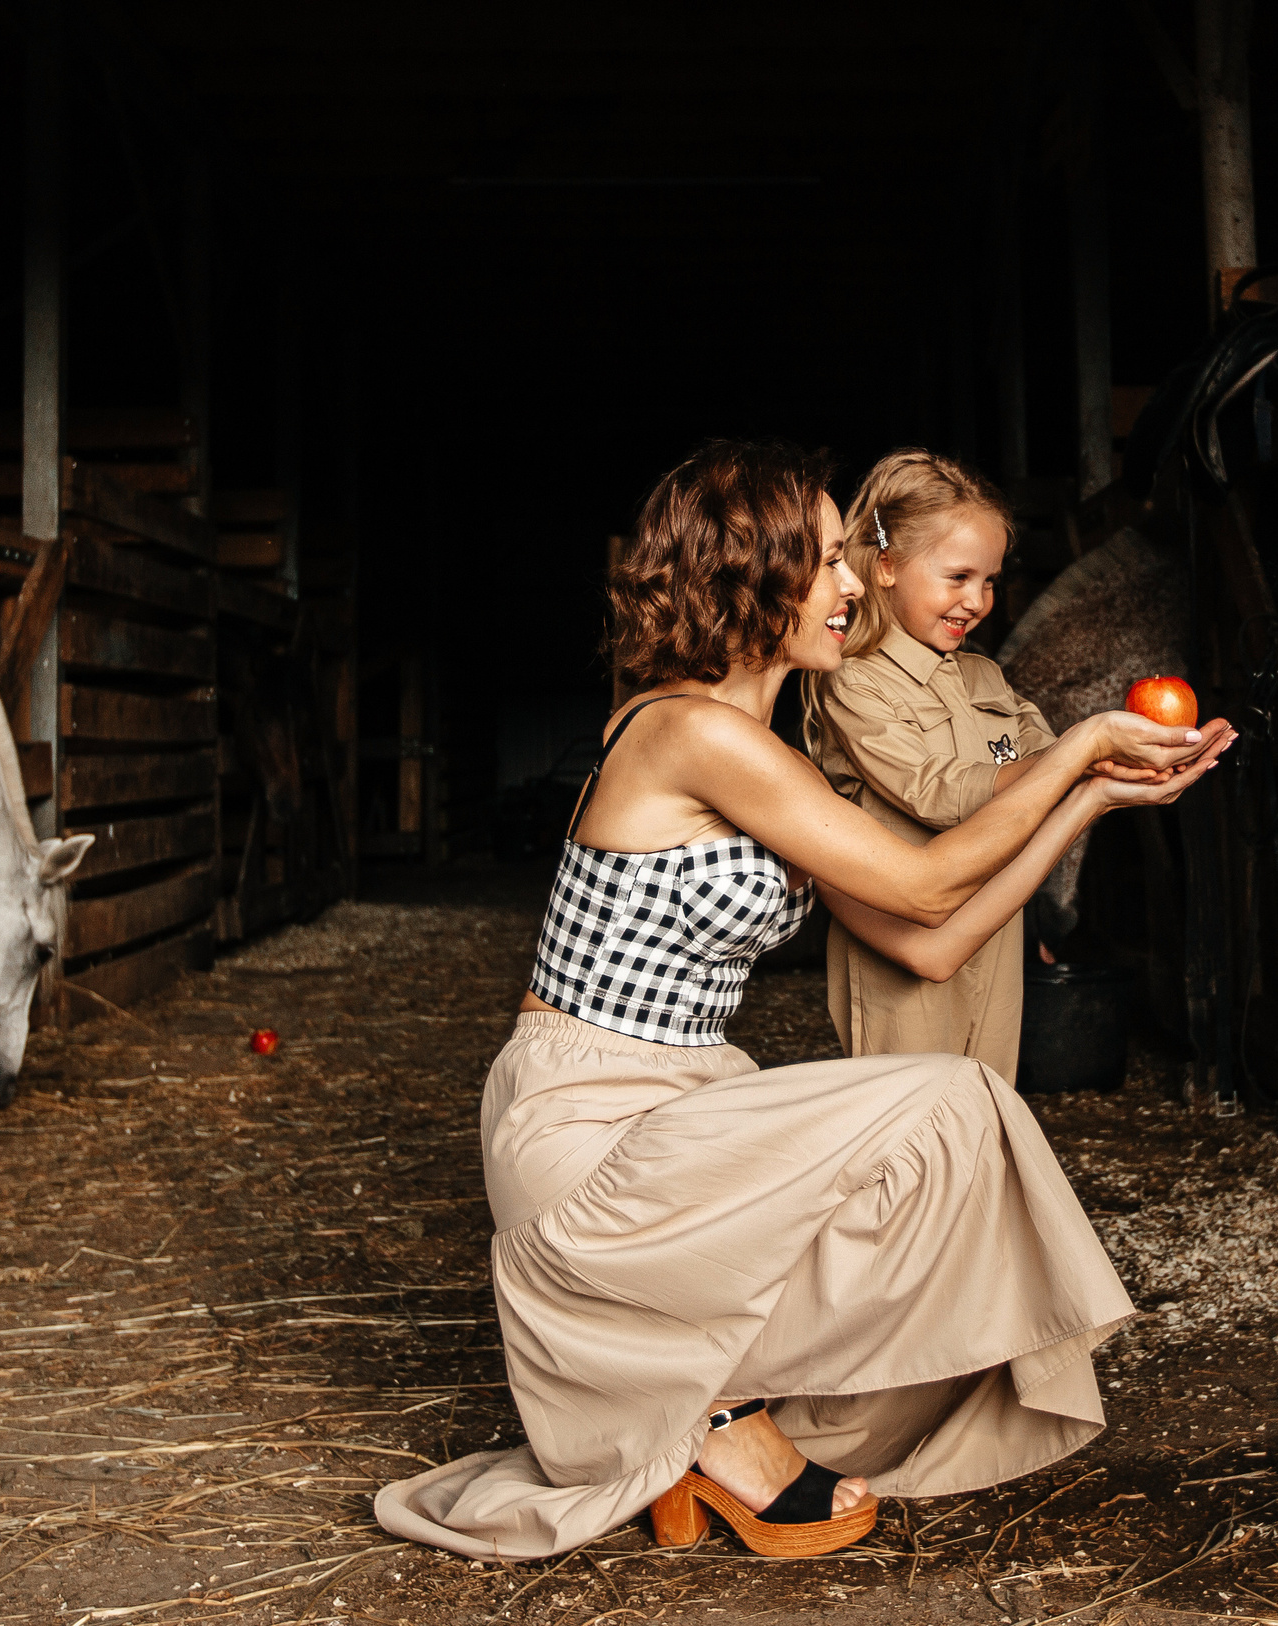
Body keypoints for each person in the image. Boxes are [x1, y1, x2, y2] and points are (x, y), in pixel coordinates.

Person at [372, 440, 1233, 1563]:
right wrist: (1074, 748)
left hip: (682, 1099)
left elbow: (934, 940)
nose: (853, 582)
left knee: (953, 1120)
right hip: (584, 1120)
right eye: (829, 559)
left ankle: (709, 1423)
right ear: (753, 577)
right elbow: (928, 877)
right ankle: (710, 1427)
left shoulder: (773, 762)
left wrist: (1091, 802)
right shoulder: (687, 731)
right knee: (944, 1107)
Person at [802, 449, 1100, 1081]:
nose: (978, 600)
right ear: (885, 567)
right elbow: (936, 792)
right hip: (903, 940)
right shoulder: (856, 683)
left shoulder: (984, 674)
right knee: (906, 1125)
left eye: (990, 580)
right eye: (958, 577)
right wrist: (1078, 756)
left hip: (994, 927)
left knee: (984, 1104)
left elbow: (1042, 756)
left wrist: (1096, 763)